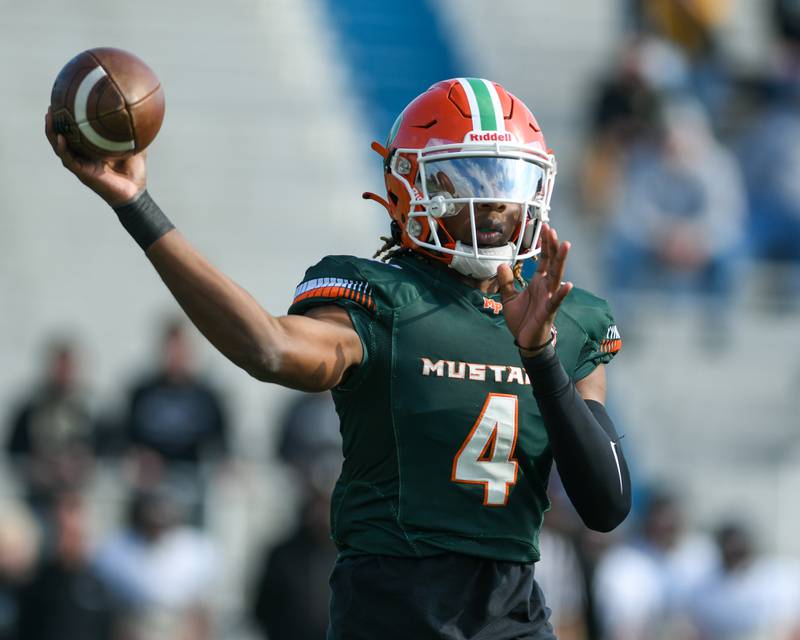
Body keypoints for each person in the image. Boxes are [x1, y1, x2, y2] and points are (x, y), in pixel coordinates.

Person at [46, 77, 632, 639]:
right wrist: (138, 207)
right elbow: (269, 348)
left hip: (513, 613)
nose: (497, 202)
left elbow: (606, 504)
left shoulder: (566, 316)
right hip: (394, 613)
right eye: (472, 177)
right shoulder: (381, 297)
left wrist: (541, 355)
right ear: (413, 187)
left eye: (508, 179)